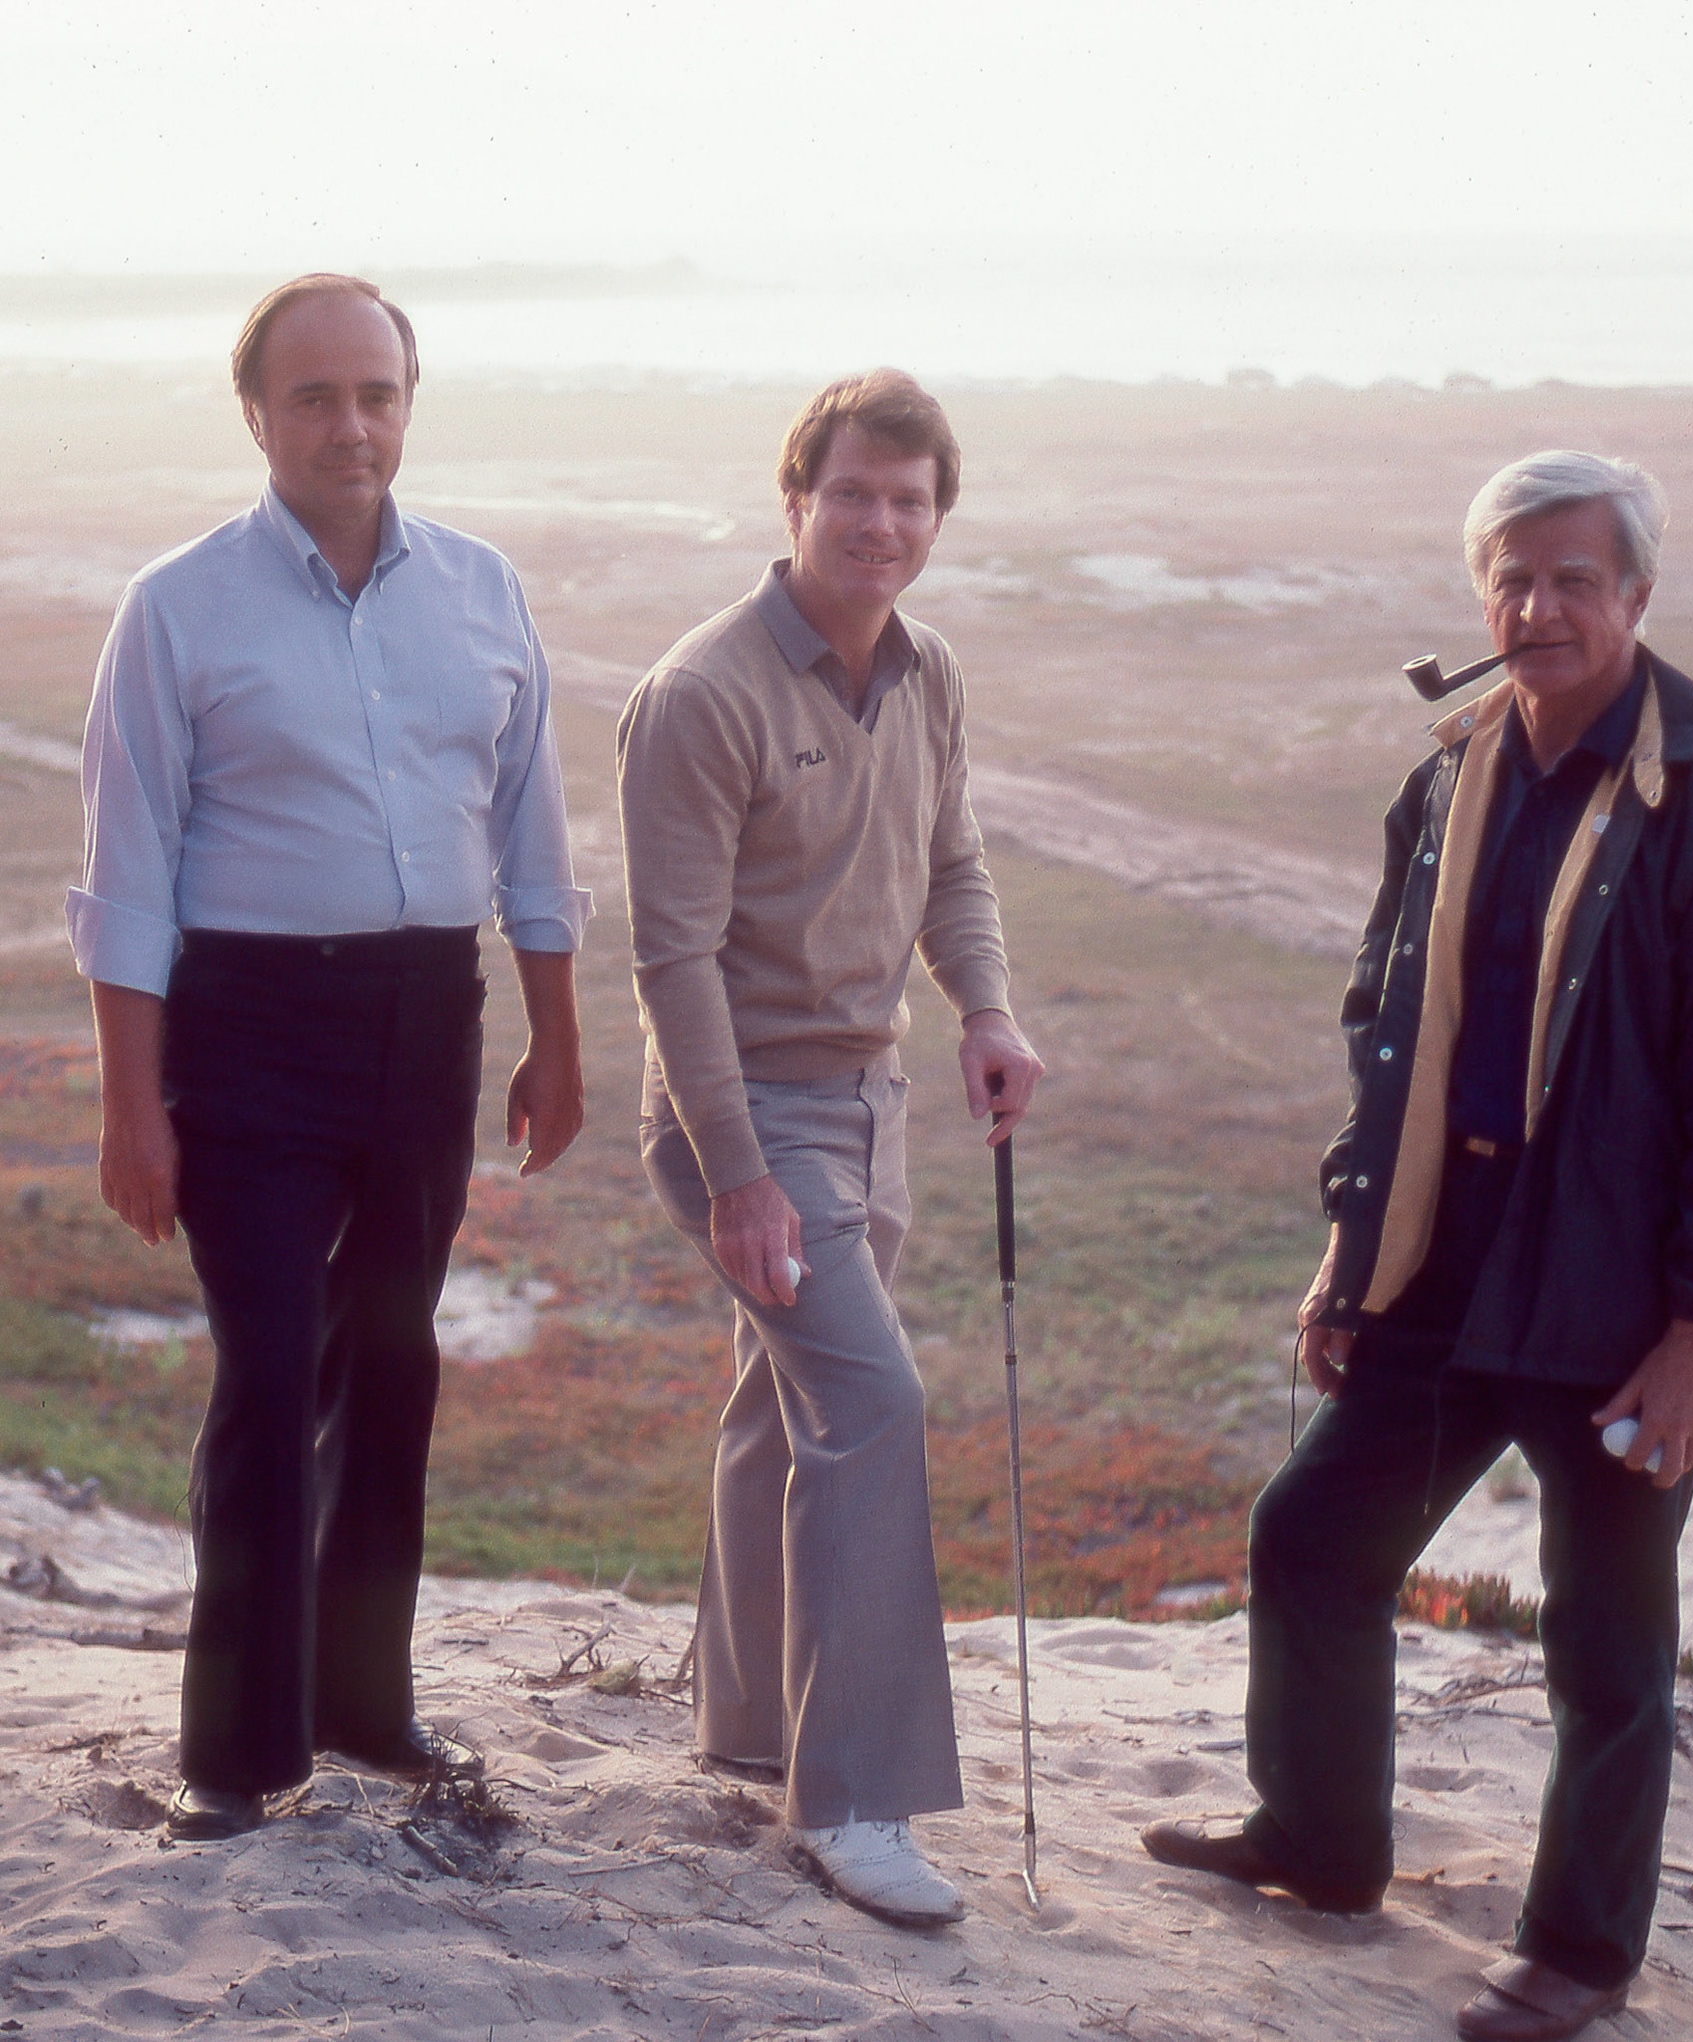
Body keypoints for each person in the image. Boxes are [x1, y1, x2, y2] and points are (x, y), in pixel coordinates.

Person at [1141, 451, 1693, 2041]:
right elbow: (1387, 1028)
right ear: (1480, 595)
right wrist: (1348, 1246)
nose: (1537, 608)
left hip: (1618, 1306)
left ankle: (1580, 1952)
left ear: (1638, 598)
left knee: (1606, 1632)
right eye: (1511, 579)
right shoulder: (1448, 774)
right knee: (1312, 1537)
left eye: (1573, 579)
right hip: (1444, 1275)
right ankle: (1321, 1842)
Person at [69, 274, 590, 1841]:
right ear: (257, 415)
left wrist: (560, 1043)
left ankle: (365, 1702)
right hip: (246, 1030)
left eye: (376, 393)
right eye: (314, 397)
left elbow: (534, 838)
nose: (350, 424)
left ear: (407, 404)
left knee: (397, 1355)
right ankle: (235, 1755)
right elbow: (127, 872)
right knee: (272, 1362)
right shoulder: (177, 606)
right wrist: (129, 1108)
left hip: (429, 1019)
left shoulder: (486, 590)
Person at [617, 369, 1043, 1927]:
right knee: (867, 1401)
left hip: (873, 1101)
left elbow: (956, 863)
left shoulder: (927, 672)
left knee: (777, 1397)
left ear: (938, 517)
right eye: (852, 492)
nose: (881, 522)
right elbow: (671, 962)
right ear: (793, 499)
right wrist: (736, 1174)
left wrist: (986, 1012)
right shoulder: (704, 691)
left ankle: (749, 1723)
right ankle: (853, 1799)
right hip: (746, 1109)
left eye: (910, 498)